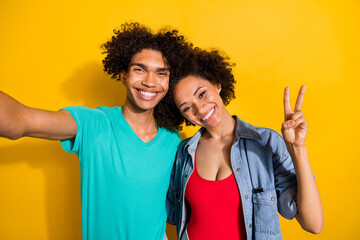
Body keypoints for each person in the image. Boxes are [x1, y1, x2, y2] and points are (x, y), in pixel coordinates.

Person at [0, 22, 193, 240]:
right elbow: (18, 120)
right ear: (122, 75)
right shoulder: (94, 124)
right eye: (140, 69)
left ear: (169, 81)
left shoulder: (172, 138)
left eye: (161, 73)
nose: (150, 82)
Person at [165, 48, 324, 240]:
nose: (199, 108)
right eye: (187, 108)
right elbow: (171, 215)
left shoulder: (265, 143)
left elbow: (313, 224)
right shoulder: (184, 152)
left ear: (217, 84)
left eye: (201, 94)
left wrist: (298, 148)